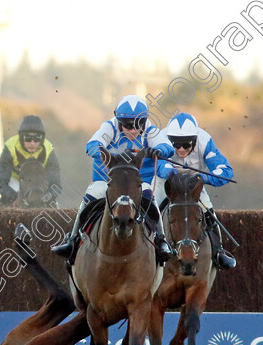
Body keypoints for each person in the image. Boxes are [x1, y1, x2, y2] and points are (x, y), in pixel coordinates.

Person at [51, 95, 174, 264]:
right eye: (127, 125)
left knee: (148, 195)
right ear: (118, 120)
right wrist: (109, 155)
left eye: (138, 125)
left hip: (137, 183)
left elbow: (167, 146)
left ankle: (161, 241)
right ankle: (72, 241)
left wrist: (159, 150)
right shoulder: (109, 127)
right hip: (108, 182)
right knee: (93, 192)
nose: (133, 130)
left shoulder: (150, 129)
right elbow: (92, 145)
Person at [155, 113, 237, 269]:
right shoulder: (161, 138)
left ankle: (218, 251)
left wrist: (204, 178)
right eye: (176, 145)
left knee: (208, 210)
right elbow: (158, 165)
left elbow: (225, 170)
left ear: (195, 140)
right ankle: (153, 247)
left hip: (193, 183)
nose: (180, 149)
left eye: (186, 144)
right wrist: (170, 173)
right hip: (165, 182)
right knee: (151, 208)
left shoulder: (205, 141)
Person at [0, 115, 61, 207]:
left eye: (37, 139)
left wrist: (46, 199)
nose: (32, 143)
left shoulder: (49, 149)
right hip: (16, 182)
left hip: (40, 184)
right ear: (21, 137)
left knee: (55, 206)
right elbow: (0, 183)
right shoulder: (10, 147)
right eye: (28, 138)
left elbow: (56, 185)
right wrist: (15, 197)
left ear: (42, 139)